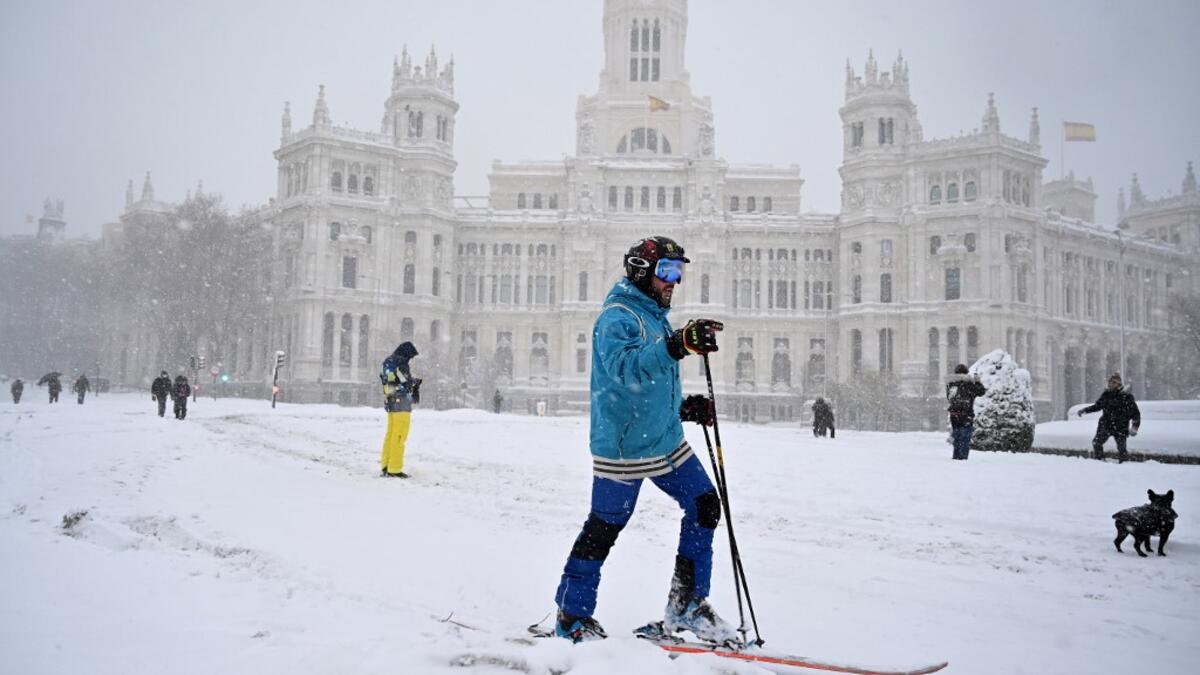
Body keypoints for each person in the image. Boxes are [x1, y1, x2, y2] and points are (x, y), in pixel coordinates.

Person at [552, 235, 736, 645]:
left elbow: (652, 377)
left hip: (663, 438)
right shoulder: (616, 317)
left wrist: (683, 408)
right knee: (605, 526)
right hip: (624, 448)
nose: (674, 281)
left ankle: (686, 606)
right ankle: (571, 615)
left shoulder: (652, 314)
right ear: (641, 271)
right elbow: (625, 370)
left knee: (705, 505)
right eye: (667, 272)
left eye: (679, 272)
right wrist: (678, 344)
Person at [1078, 372, 1141, 463]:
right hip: (1106, 425)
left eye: (1113, 382)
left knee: (1122, 449)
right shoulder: (1106, 394)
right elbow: (1097, 406)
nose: (1110, 384)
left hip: (1121, 427)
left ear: (1118, 384)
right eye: (1110, 382)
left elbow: (1136, 413)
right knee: (1096, 443)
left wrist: (1135, 427)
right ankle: (1100, 461)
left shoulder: (1126, 397)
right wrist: (1085, 410)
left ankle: (1124, 465)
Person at [379, 342, 421, 478]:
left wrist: (411, 383)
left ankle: (386, 465)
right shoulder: (400, 362)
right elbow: (400, 381)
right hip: (400, 403)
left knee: (391, 435)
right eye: (410, 357)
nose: (410, 360)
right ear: (406, 353)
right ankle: (395, 469)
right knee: (399, 436)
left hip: (392, 402)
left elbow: (392, 380)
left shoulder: (389, 362)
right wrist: (412, 386)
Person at [946, 364, 986, 460]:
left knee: (957, 437)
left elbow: (949, 398)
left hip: (954, 415)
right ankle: (962, 458)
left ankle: (956, 456)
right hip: (966, 415)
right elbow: (981, 392)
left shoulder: (950, 384)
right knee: (965, 438)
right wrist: (977, 381)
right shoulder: (968, 385)